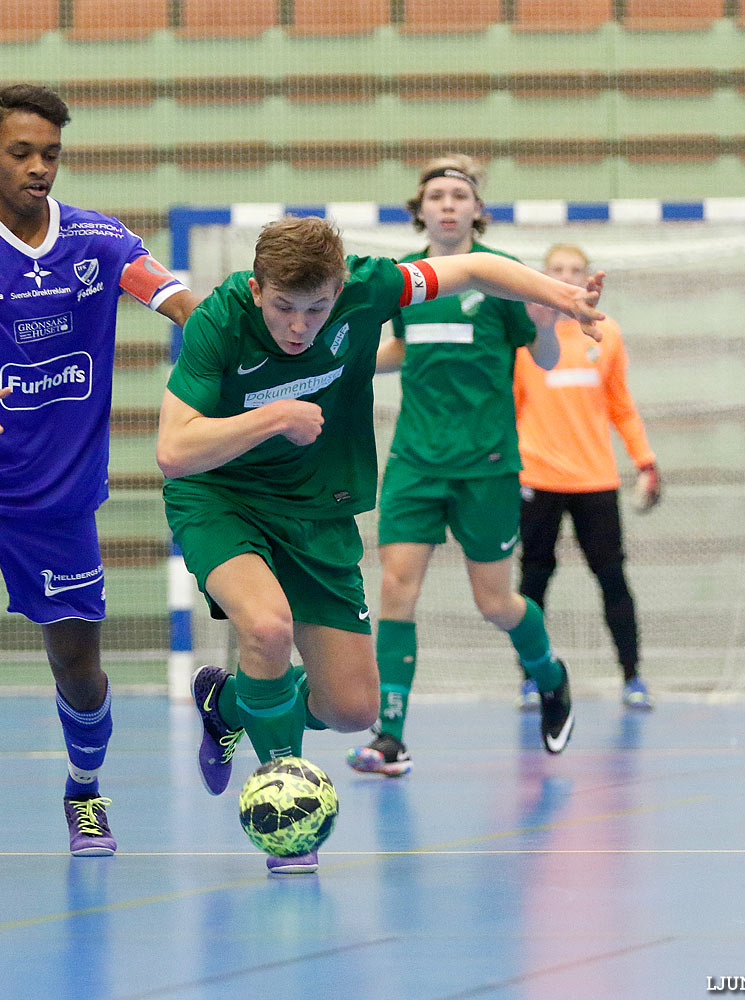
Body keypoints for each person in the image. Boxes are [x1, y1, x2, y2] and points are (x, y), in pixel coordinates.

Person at [158, 215, 603, 872]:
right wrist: (271, 418)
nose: (300, 326)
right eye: (284, 307)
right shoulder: (218, 321)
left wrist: (559, 297)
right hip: (224, 499)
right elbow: (174, 451)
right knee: (269, 628)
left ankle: (225, 701)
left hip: (317, 511)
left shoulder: (370, 287)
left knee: (353, 707)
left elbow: (474, 270)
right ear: (257, 289)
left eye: (317, 308)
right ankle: (288, 809)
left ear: (341, 288)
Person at [0, 84, 196, 859]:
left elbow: (173, 297)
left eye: (51, 155)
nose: (38, 168)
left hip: (59, 501)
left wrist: (234, 332)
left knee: (80, 670)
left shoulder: (100, 239)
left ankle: (85, 792)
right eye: (22, 153)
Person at [343, 157, 589, 779]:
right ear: (419, 210)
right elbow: (405, 345)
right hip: (414, 462)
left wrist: (544, 320)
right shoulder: (402, 279)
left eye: (459, 195)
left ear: (476, 209)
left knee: (495, 602)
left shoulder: (504, 277)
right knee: (396, 591)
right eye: (436, 196)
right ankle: (391, 735)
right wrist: (343, 361)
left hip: (487, 466)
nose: (448, 205)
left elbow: (549, 358)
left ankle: (550, 676)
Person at [513, 242, 660, 712]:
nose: (568, 276)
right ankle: (533, 680)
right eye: (557, 269)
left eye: (576, 270)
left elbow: (621, 405)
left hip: (596, 480)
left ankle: (633, 677)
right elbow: (508, 407)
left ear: (588, 277)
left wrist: (645, 461)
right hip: (537, 477)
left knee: (612, 577)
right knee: (533, 581)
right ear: (544, 276)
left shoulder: (606, 333)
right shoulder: (526, 337)